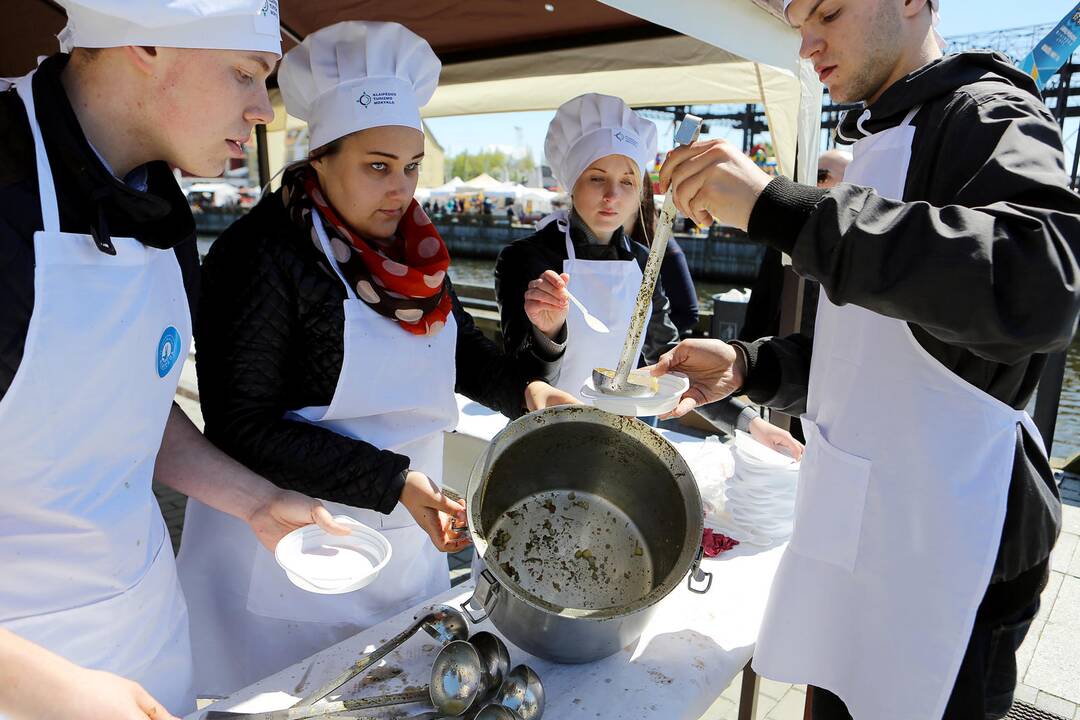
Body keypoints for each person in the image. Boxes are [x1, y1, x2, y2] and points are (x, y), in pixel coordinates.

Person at [654, 0, 1079, 717]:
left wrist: (779, 209)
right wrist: (751, 366)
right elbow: (874, 351)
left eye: (829, 10)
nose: (809, 42)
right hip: (865, 538)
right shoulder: (885, 135)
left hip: (949, 554)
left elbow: (1039, 287)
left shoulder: (985, 113)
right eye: (799, 22)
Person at [175, 21, 576, 697]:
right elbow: (242, 427)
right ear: (319, 157)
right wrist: (394, 484)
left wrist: (528, 389)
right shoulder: (259, 255)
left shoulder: (414, 249)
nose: (401, 190)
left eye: (411, 166)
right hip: (290, 551)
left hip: (404, 530)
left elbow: (460, 351)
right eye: (378, 167)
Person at [0, 3, 353, 719]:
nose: (263, 110)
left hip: (146, 629)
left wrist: (255, 501)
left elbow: (118, 402)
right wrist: (38, 686)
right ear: (144, 42)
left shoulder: (158, 199)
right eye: (245, 75)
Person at [495, 93, 800, 455]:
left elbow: (667, 360)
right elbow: (516, 377)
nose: (612, 195)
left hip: (618, 439)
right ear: (571, 180)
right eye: (596, 178)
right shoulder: (525, 258)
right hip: (542, 439)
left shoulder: (644, 261)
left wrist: (750, 423)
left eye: (627, 181)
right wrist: (547, 333)